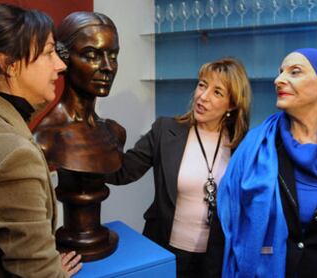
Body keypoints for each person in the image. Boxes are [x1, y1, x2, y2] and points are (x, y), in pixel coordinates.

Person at [0, 3, 82, 277]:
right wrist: (49, 270)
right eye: (48, 53)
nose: (60, 65)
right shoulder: (12, 156)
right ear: (8, 64)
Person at [217, 48, 317, 277]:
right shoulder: (256, 145)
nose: (279, 80)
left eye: (294, 72)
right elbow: (227, 218)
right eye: (280, 72)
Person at [105, 58, 252, 277]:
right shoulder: (165, 130)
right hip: (166, 250)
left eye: (217, 92)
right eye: (202, 85)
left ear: (232, 104)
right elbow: (123, 172)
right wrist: (96, 145)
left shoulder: (243, 146)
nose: (203, 96)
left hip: (216, 258)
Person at [33, 12, 125, 260]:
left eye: (113, 55)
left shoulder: (115, 132)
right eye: (92, 55)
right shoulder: (45, 138)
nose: (107, 67)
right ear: (65, 58)